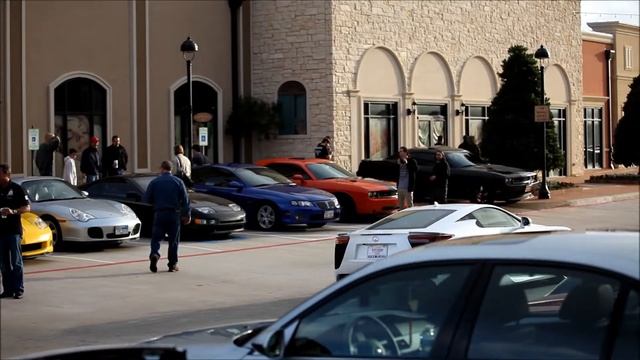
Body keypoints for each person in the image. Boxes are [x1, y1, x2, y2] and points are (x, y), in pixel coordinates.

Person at [143, 161, 190, 273]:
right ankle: (172, 264)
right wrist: (186, 214)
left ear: (161, 168)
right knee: (173, 240)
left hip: (160, 213)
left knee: (156, 238)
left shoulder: (155, 182)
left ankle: (155, 254)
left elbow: (147, 199)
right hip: (174, 214)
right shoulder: (178, 182)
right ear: (171, 169)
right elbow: (185, 200)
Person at [0, 164, 30, 299]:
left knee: (16, 262)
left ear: (6, 174)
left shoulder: (17, 189)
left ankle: (18, 289)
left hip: (13, 231)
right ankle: (7, 289)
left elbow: (27, 207)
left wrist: (14, 211)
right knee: (4, 264)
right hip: (0, 232)